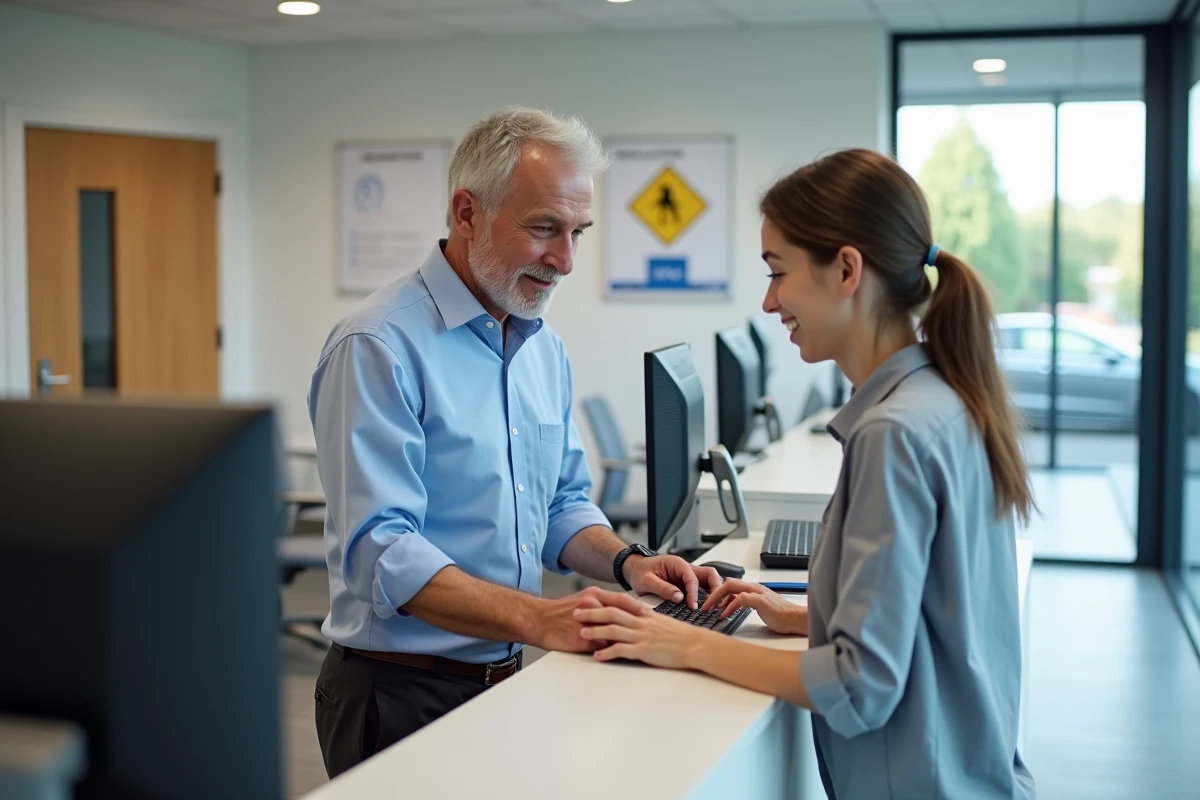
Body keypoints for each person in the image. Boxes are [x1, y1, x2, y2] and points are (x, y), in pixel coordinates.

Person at [576, 148, 1038, 799]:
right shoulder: (944, 398)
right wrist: (807, 618)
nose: (769, 302)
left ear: (847, 268)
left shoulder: (891, 433)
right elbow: (931, 613)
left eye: (778, 273)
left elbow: (860, 689)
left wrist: (684, 645)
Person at [308, 107, 721, 778]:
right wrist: (541, 619)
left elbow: (559, 502)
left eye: (578, 233)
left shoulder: (541, 348)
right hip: (399, 695)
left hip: (506, 679)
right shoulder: (378, 346)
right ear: (466, 212)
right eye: (544, 229)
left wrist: (629, 564)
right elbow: (382, 553)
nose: (564, 260)